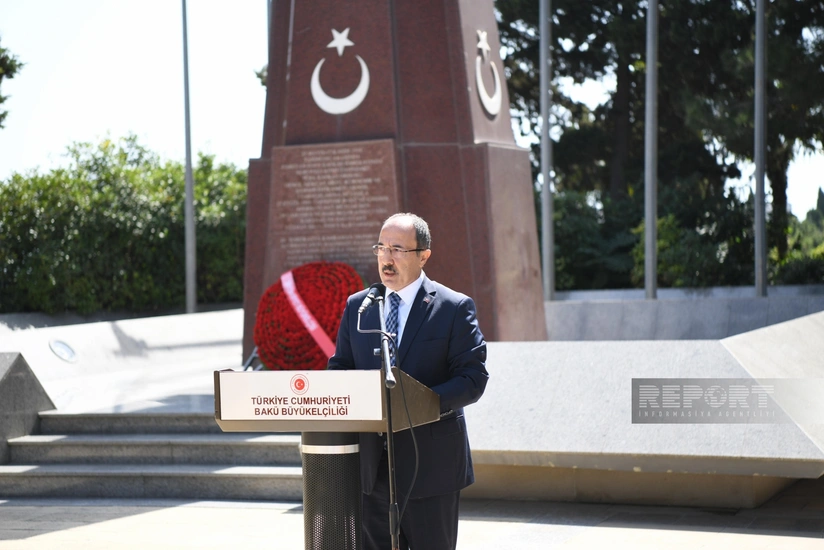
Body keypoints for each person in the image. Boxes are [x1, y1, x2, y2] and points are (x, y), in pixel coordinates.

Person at [328, 212, 489, 550]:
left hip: (431, 466)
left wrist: (419, 405)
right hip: (372, 470)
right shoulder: (360, 307)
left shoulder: (453, 307)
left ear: (424, 255)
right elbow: (340, 367)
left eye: (398, 249)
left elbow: (473, 378)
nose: (387, 258)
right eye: (381, 248)